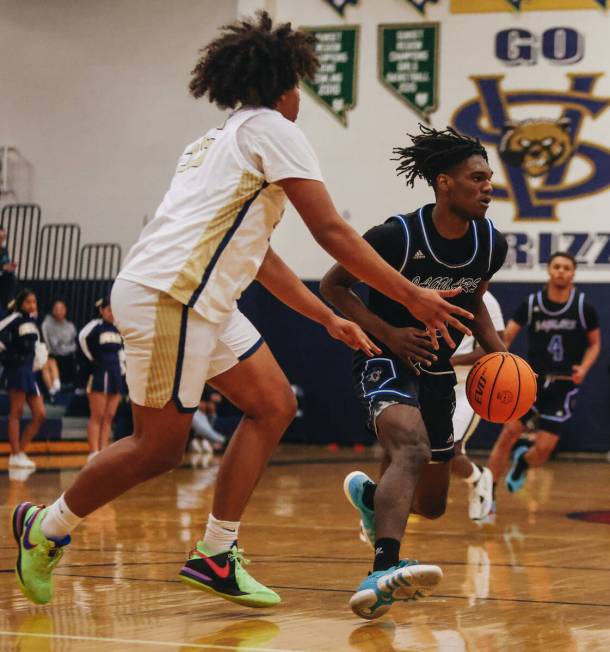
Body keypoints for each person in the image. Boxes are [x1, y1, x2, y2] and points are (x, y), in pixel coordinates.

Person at [11, 12, 473, 609]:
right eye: (299, 86)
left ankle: (216, 553)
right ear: (284, 84)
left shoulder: (214, 142)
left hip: (198, 296)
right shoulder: (275, 131)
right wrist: (412, 295)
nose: (301, 98)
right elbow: (331, 230)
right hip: (173, 296)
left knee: (273, 404)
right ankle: (45, 528)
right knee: (158, 448)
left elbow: (259, 258)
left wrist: (328, 317)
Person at [320, 124, 508, 619]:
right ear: (445, 183)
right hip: (384, 356)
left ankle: (371, 498)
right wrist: (390, 333)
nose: (488, 186)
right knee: (410, 445)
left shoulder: (491, 243)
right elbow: (334, 286)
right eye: (478, 177)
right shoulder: (396, 235)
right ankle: (384, 566)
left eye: (490, 178)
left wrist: (501, 354)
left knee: (433, 506)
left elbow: (475, 302)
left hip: (439, 370)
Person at [486, 251, 600, 504]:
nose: (561, 271)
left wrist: (584, 368)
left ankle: (522, 462)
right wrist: (504, 362)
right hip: (532, 381)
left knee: (544, 449)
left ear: (573, 274)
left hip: (564, 385)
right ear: (549, 270)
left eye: (566, 268)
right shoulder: (532, 303)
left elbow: (595, 344)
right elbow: (507, 335)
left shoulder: (583, 308)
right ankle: (488, 494)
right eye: (556, 266)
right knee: (508, 433)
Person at [449, 290, 505, 522]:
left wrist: (451, 360)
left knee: (449, 450)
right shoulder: (431, 288)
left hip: (467, 387)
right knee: (417, 449)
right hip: (432, 383)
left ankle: (479, 477)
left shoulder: (486, 300)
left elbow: (497, 345)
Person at [0, 289, 46, 469]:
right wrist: (8, 358)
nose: (32, 305)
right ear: (20, 303)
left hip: (29, 371)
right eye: (28, 302)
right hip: (16, 370)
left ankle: (21, 451)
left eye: (34, 302)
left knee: (40, 414)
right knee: (16, 412)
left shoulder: (33, 322)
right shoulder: (13, 319)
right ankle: (14, 454)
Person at [78, 298, 125, 461]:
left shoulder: (118, 328)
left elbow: (122, 350)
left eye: (114, 310)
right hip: (99, 373)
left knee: (110, 415)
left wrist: (122, 366)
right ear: (102, 310)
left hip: (116, 374)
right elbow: (82, 338)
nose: (112, 313)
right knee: (97, 414)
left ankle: (103, 451)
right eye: (109, 310)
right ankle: (93, 452)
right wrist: (93, 359)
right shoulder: (95, 326)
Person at [41, 299, 78, 399]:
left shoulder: (70, 326)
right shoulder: (47, 324)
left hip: (69, 357)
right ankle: (53, 389)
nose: (59, 311)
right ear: (52, 310)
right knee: (49, 362)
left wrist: (66, 347)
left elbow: (74, 344)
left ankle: (58, 388)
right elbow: (54, 346)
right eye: (56, 309)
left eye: (62, 309)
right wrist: (67, 347)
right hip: (53, 355)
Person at [191, 386, 226, 452]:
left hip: (203, 401)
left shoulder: (211, 386)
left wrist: (210, 398)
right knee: (203, 407)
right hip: (194, 403)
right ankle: (209, 440)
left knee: (211, 407)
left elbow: (218, 398)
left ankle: (203, 440)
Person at [0, 227, 17, 309]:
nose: (1, 241)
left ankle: (10, 303)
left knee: (11, 276)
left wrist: (10, 266)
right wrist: (3, 267)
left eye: (3, 238)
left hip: (4, 281)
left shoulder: (4, 250)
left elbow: (5, 264)